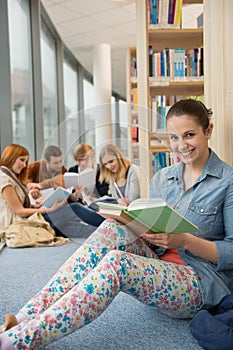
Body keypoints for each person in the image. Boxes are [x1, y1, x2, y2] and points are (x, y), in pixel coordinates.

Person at [1, 99, 233, 350]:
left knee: (117, 263)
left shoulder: (227, 181)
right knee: (111, 229)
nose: (181, 146)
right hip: (159, 261)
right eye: (174, 138)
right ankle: (24, 316)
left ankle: (17, 341)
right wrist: (128, 220)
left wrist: (185, 240)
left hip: (198, 279)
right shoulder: (164, 178)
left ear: (208, 131)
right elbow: (152, 229)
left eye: (189, 135)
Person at [0, 144, 98, 237]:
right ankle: (108, 221)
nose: (24, 165)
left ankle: (105, 231)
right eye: (21, 160)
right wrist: (49, 209)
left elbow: (18, 206)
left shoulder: (11, 177)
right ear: (10, 158)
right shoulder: (5, 179)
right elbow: (20, 211)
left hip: (31, 216)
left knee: (70, 228)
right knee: (75, 207)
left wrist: (36, 206)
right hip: (24, 222)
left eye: (25, 161)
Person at [63, 143, 141, 227]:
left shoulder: (132, 170)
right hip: (117, 213)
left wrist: (117, 202)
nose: (109, 166)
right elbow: (115, 199)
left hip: (128, 215)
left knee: (76, 207)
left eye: (111, 161)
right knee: (88, 208)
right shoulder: (112, 174)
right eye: (106, 164)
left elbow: (133, 200)